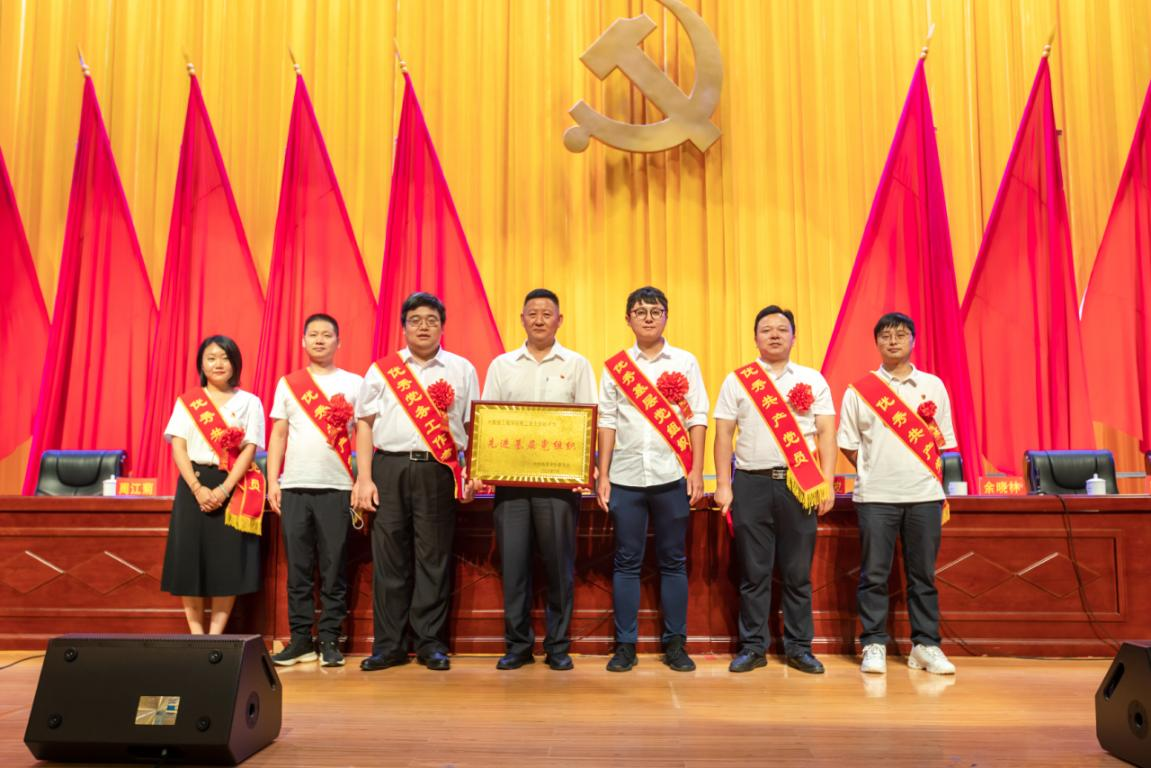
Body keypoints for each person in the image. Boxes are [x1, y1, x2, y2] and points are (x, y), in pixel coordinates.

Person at [353, 292, 478, 672]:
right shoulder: (382, 370)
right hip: (389, 468)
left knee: (433, 557)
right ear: (404, 326)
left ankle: (429, 643)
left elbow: (474, 425)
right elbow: (364, 424)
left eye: (431, 320)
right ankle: (389, 645)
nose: (423, 327)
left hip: (437, 469)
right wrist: (364, 478)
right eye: (415, 320)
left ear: (442, 326)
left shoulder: (461, 369)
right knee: (389, 558)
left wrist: (472, 472)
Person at [713, 306, 836, 674]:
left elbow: (826, 433)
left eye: (782, 329)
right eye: (766, 329)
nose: (774, 335)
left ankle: (799, 648)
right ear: (755, 338)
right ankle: (753, 647)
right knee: (754, 573)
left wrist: (827, 481)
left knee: (797, 573)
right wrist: (723, 485)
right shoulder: (738, 380)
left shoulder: (813, 379)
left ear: (794, 337)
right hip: (750, 483)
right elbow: (723, 435)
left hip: (800, 485)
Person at [479, 289, 597, 672]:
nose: (540, 319)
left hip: (559, 486)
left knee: (559, 568)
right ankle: (518, 645)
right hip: (510, 484)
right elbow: (488, 421)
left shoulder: (577, 364)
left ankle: (558, 646)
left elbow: (588, 420)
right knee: (514, 567)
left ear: (559, 320)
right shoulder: (502, 365)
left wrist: (585, 469)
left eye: (548, 313)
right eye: (533, 313)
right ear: (522, 319)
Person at [837, 312, 957, 676]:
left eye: (901, 335)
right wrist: (875, 468)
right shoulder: (860, 390)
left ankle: (926, 646)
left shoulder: (933, 386)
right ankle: (873, 643)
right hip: (876, 497)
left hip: (924, 496)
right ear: (876, 342)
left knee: (923, 576)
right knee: (874, 575)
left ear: (913, 341)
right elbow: (848, 444)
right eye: (886, 336)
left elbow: (942, 443)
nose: (893, 341)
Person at [597, 286, 708, 673]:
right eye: (640, 311)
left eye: (655, 311)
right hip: (625, 477)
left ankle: (675, 644)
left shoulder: (685, 362)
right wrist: (603, 474)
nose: (648, 317)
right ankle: (625, 646)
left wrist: (696, 470)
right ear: (628, 318)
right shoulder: (616, 367)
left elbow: (697, 417)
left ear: (666, 317)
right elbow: (607, 421)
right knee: (626, 562)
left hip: (672, 475)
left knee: (673, 561)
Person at [266, 313, 363, 667]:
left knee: (334, 568)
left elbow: (364, 434)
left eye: (327, 335)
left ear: (339, 342)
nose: (320, 340)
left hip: (337, 487)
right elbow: (279, 433)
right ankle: (300, 639)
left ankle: (330, 638)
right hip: (294, 486)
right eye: (313, 334)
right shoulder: (289, 384)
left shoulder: (354, 383)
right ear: (303, 341)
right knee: (299, 569)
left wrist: (361, 480)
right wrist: (272, 481)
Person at [161, 335, 265, 634]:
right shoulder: (188, 402)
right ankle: (196, 637)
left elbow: (249, 449)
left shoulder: (249, 402)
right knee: (189, 559)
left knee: (226, 562)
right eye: (211, 358)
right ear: (201, 364)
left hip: (231, 485)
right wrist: (197, 488)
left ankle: (215, 637)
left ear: (235, 364)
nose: (219, 364)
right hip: (193, 485)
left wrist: (223, 489)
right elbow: (178, 447)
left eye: (225, 357)